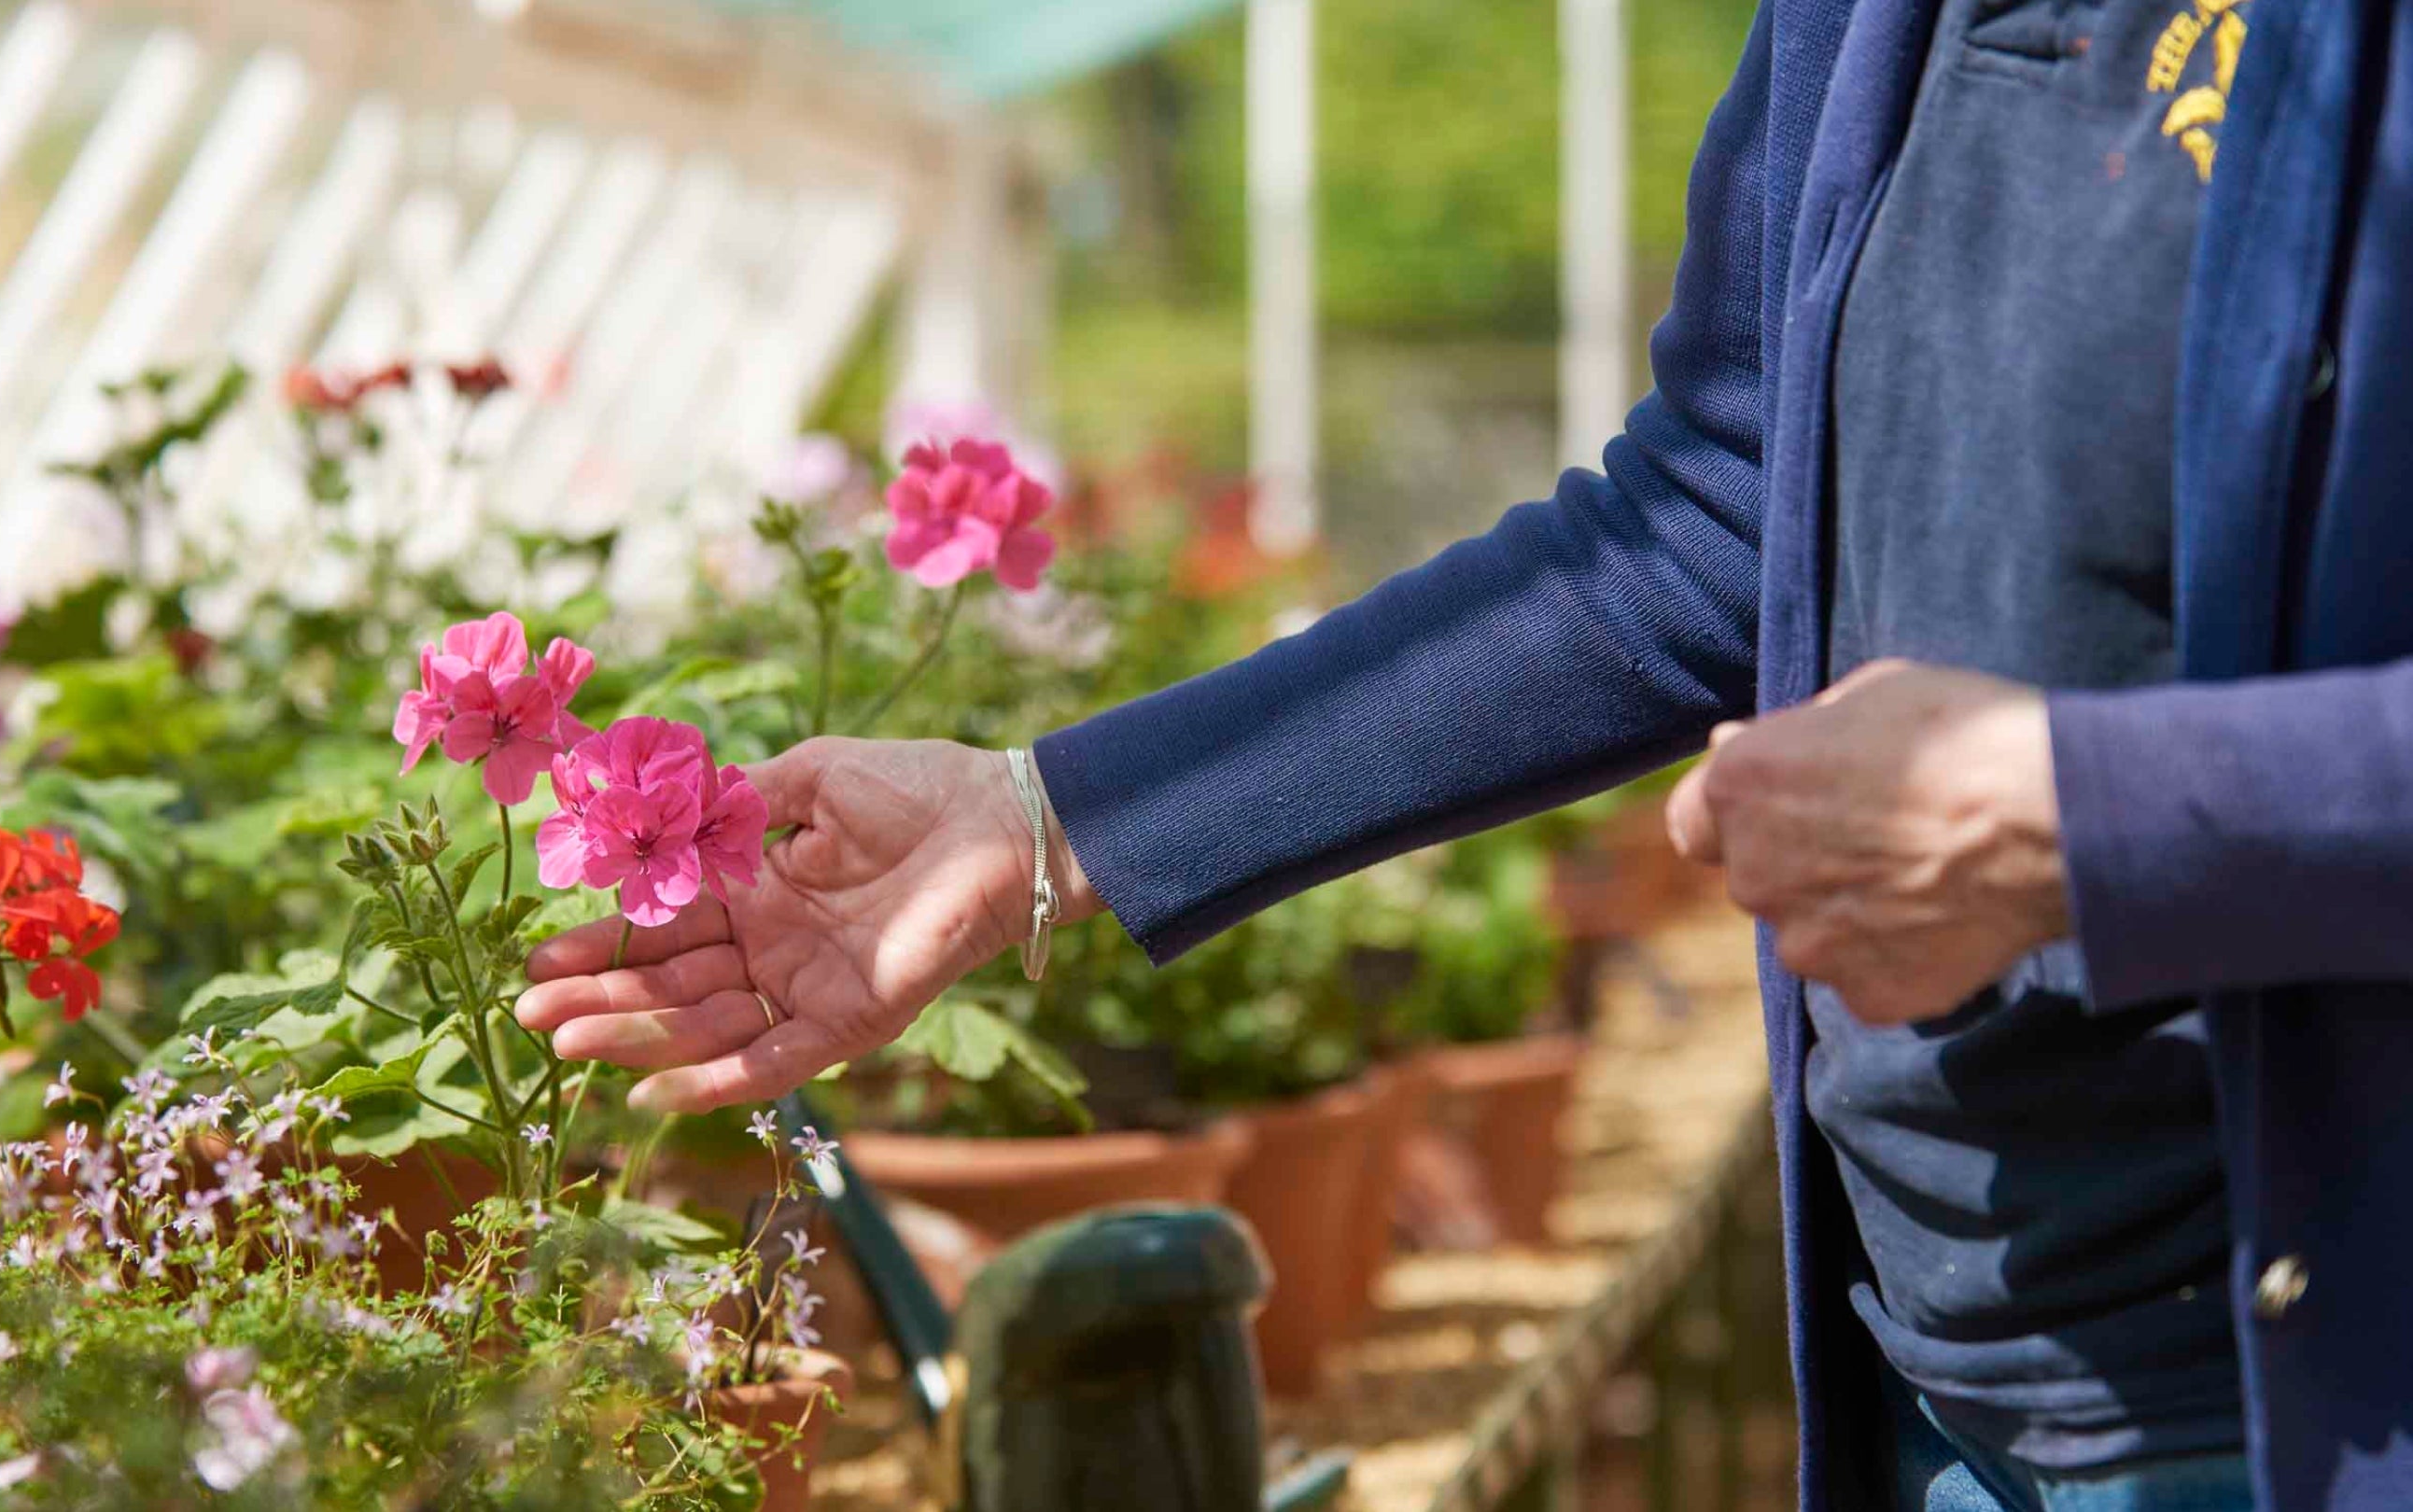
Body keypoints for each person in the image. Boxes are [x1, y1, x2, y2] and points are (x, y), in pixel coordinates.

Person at [512, 0, 2413, 1506]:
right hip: (1955, 1359)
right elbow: (1717, 509)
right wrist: (1044, 820)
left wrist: (2096, 819)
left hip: (2326, 1378)